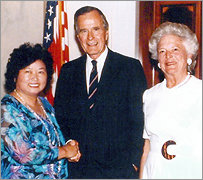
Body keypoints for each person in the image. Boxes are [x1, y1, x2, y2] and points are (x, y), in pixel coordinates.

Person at [54, 6, 147, 179]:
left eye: (96, 29)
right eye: (84, 31)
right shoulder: (68, 71)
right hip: (78, 169)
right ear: (77, 36)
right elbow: (60, 117)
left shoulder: (130, 68)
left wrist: (134, 162)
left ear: (106, 32)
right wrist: (68, 145)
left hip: (120, 170)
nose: (90, 37)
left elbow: (139, 119)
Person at [1, 43, 81, 179]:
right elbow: (25, 154)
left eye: (40, 71)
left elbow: (55, 138)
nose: (35, 77)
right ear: (15, 76)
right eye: (28, 71)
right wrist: (66, 151)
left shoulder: (44, 103)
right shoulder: (7, 109)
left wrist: (70, 146)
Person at [139, 22, 202, 179]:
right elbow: (147, 146)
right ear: (158, 60)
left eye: (175, 49)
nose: (168, 56)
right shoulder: (149, 95)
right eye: (162, 51)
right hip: (154, 173)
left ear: (189, 56)